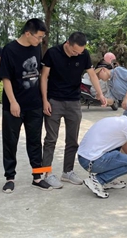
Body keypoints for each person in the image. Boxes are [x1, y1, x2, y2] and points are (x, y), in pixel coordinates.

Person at [40, 32, 107, 188]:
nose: (77, 54)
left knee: (72, 140)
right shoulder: (52, 53)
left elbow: (92, 75)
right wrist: (44, 100)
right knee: (50, 139)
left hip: (74, 102)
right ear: (67, 44)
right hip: (54, 101)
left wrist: (100, 93)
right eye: (75, 51)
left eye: (80, 52)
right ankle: (47, 173)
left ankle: (67, 171)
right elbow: (43, 77)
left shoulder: (84, 54)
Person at [0, 18, 51, 193]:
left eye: (42, 37)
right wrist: (13, 102)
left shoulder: (36, 47)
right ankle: (10, 177)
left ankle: (37, 177)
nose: (40, 41)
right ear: (28, 33)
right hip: (14, 105)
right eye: (39, 37)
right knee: (10, 141)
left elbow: (39, 74)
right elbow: (5, 78)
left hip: (34, 104)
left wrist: (43, 100)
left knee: (35, 141)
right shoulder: (9, 49)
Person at [77, 110, 127, 199]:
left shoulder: (121, 121)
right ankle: (98, 180)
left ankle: (108, 180)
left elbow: (125, 146)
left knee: (123, 152)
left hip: (84, 158)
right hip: (92, 161)